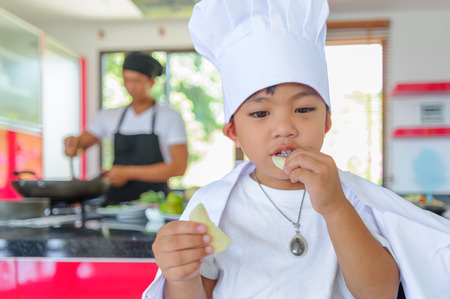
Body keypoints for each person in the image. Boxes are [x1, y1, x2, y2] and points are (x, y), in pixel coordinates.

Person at [143, 0, 450, 298]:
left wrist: (335, 207)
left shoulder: (352, 199)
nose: (284, 127)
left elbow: (380, 292)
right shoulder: (212, 205)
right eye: (261, 114)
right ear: (233, 132)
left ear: (327, 121)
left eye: (303, 109)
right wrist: (181, 277)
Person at [65, 51, 188, 205]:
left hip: (154, 204)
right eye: (126, 80)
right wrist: (74, 144)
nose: (130, 87)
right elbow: (81, 144)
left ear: (151, 81)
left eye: (136, 81)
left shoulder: (169, 117)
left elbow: (178, 168)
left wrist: (128, 173)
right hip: (115, 204)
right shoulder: (109, 116)